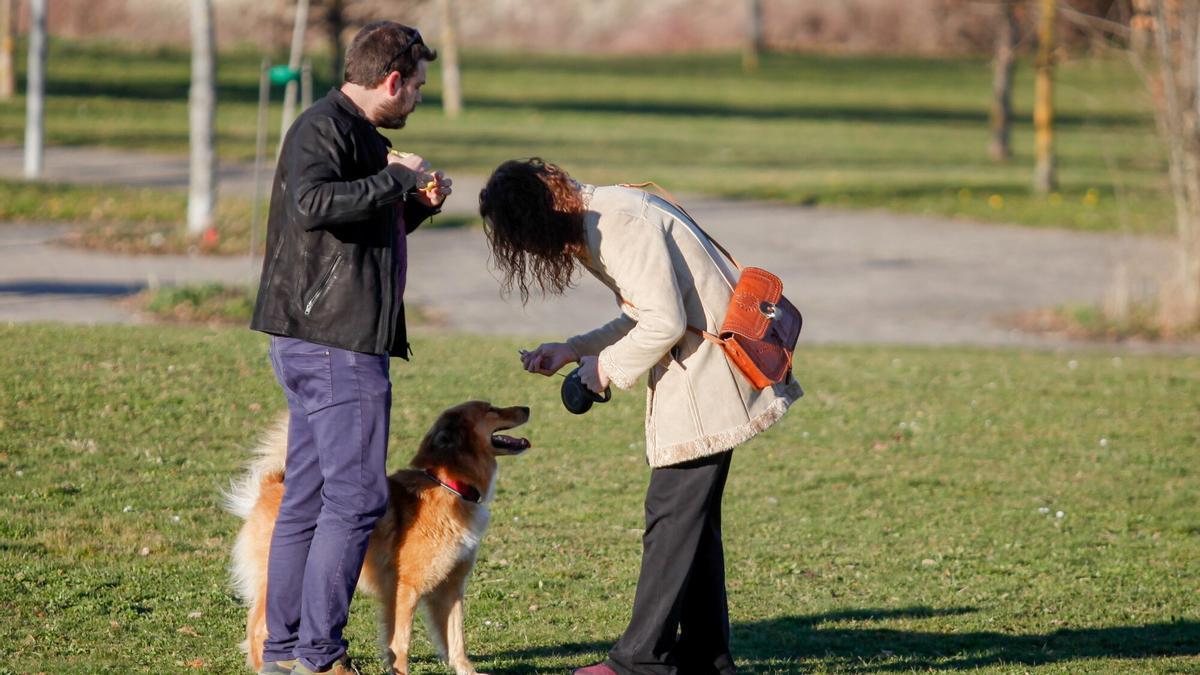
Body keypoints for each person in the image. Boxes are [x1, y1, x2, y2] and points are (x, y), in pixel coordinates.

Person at [478, 158, 803, 675]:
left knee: (672, 515)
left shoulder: (618, 224)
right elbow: (642, 312)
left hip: (709, 375)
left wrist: (602, 370)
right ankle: (706, 659)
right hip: (702, 371)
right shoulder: (604, 213)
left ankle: (639, 662)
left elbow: (664, 322)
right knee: (691, 522)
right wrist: (574, 349)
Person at [248, 21, 450, 675]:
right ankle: (319, 654)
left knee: (308, 495)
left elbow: (351, 227)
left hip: (321, 339)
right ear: (392, 80)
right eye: (417, 85)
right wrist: (395, 180)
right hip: (335, 344)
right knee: (358, 496)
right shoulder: (323, 128)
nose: (419, 96)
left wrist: (416, 203)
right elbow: (313, 204)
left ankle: (283, 652)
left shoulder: (358, 135)